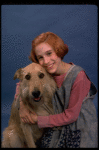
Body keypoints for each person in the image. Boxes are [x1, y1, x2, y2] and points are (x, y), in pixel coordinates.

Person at [15, 32, 97, 148]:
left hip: (77, 125)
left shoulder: (78, 76)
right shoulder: (45, 73)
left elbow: (71, 116)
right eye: (41, 58)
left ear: (58, 51)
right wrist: (22, 106)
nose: (47, 61)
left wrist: (37, 119)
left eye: (49, 53)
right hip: (55, 123)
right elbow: (21, 84)